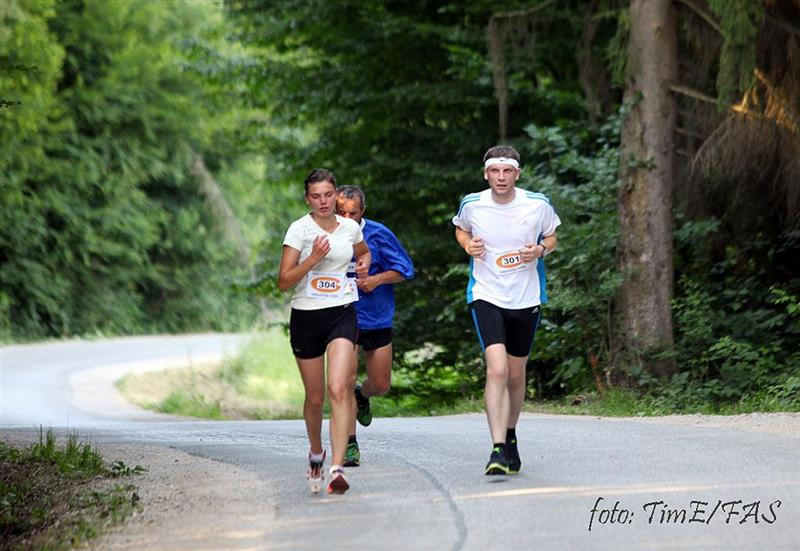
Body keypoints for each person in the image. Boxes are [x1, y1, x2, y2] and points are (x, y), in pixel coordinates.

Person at [451, 145, 560, 475]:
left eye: (507, 171)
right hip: (486, 293)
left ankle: (510, 433)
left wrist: (539, 251)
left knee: (515, 373)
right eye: (495, 171)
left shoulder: (537, 204)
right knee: (496, 369)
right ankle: (497, 448)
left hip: (526, 297)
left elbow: (552, 238)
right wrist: (467, 244)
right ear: (486, 174)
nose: (501, 177)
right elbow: (461, 228)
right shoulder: (472, 204)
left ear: (517, 174)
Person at [278, 168, 371, 495]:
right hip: (306, 318)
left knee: (339, 388)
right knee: (315, 397)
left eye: (328, 195)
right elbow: (283, 281)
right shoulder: (299, 230)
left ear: (335, 195)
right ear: (308, 199)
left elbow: (363, 251)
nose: (323, 201)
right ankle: (317, 453)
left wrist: (365, 262)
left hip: (341, 313)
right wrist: (313, 259)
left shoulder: (349, 228)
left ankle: (337, 468)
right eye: (316, 196)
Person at [335, 185, 415, 467]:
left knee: (380, 385)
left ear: (363, 211)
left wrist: (376, 280)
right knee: (343, 382)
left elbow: (405, 269)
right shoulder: (324, 235)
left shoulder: (379, 234)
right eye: (341, 212)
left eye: (353, 213)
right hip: (341, 316)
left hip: (376, 316)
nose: (346, 218)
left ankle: (363, 395)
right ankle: (349, 444)